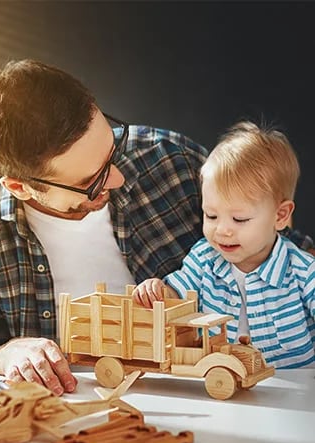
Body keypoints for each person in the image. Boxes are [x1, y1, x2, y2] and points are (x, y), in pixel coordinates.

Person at [0, 61, 313, 392]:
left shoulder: (169, 159)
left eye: (113, 149)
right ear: (20, 186)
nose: (119, 177)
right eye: (92, 181)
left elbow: (282, 242)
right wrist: (4, 356)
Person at [133, 121, 315, 369]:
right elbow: (175, 295)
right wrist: (157, 291)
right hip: (223, 384)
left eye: (239, 219)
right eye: (211, 216)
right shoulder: (204, 258)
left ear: (280, 216)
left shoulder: (303, 271)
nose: (222, 230)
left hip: (294, 395)